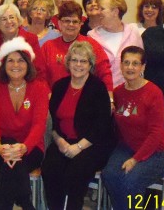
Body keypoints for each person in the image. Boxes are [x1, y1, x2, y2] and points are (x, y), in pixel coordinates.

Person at [41, 41, 115, 210]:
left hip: (91, 145)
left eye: (84, 61)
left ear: (90, 64)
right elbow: (53, 122)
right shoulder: (60, 86)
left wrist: (78, 147)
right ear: (68, 62)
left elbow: (102, 126)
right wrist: (60, 142)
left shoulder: (98, 88)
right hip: (63, 141)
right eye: (75, 60)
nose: (78, 65)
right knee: (50, 169)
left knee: (75, 173)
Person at [102, 46, 164, 210]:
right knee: (110, 175)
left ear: (143, 67)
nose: (130, 67)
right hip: (127, 146)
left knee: (131, 180)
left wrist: (135, 159)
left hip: (158, 152)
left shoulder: (154, 92)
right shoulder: (118, 92)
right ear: (120, 66)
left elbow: (155, 133)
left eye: (135, 63)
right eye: (126, 63)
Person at [0, 37, 49, 210]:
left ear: (28, 64)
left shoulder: (40, 88)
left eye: (21, 60)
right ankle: (26, 203)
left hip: (31, 146)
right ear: (3, 65)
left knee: (10, 168)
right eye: (10, 60)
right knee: (13, 165)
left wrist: (23, 147)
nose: (16, 65)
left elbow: (39, 124)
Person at [41, 1, 112, 95]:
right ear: (59, 23)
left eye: (75, 21)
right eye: (67, 21)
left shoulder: (91, 45)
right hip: (54, 100)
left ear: (80, 24)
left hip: (86, 100)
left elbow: (104, 72)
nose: (71, 25)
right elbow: (40, 76)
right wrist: (48, 95)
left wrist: (110, 98)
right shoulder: (48, 47)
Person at [0, 3, 47, 99]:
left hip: (28, 94)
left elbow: (40, 71)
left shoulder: (30, 39)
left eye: (12, 17)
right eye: (3, 19)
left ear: (18, 19)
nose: (9, 21)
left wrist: (42, 94)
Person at [88, 0, 143, 88]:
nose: (98, 12)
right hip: (100, 93)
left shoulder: (133, 32)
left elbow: (141, 63)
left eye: (102, 9)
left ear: (115, 11)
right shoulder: (92, 36)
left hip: (128, 91)